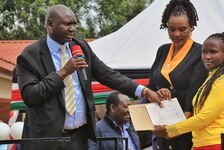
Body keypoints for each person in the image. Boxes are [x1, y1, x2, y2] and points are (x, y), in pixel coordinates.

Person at [16, 5, 161, 150]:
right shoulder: (30, 55)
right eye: (67, 24)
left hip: (79, 138)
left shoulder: (80, 47)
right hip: (48, 140)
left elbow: (108, 75)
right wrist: (64, 72)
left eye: (74, 24)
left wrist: (144, 91)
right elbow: (30, 96)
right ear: (50, 24)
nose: (73, 29)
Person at [153, 32, 224, 150]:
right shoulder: (211, 77)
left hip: (217, 144)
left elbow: (204, 117)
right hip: (201, 144)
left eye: (213, 52)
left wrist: (170, 130)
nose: (207, 56)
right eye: (204, 52)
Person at [143, 0, 208, 149]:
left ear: (192, 27)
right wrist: (157, 93)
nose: (176, 34)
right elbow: (151, 85)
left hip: (185, 127)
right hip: (161, 126)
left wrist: (175, 129)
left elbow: (193, 96)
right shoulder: (162, 51)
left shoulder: (200, 53)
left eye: (182, 29)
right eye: (171, 29)